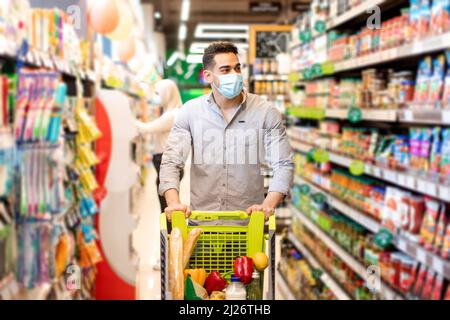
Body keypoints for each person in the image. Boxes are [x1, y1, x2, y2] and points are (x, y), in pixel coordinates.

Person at [159, 41, 294, 220]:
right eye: (225, 70)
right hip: (203, 222)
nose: (235, 75)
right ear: (208, 76)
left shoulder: (265, 112)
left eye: (237, 68)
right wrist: (173, 202)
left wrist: (267, 205)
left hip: (248, 223)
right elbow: (171, 162)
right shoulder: (190, 112)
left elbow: (283, 163)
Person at [136, 79, 184, 213]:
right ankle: (169, 232)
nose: (155, 97)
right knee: (167, 204)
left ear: (167, 93)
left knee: (167, 208)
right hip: (167, 161)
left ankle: (169, 233)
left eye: (158, 93)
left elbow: (147, 128)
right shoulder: (173, 111)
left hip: (166, 162)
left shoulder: (172, 114)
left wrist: (127, 118)